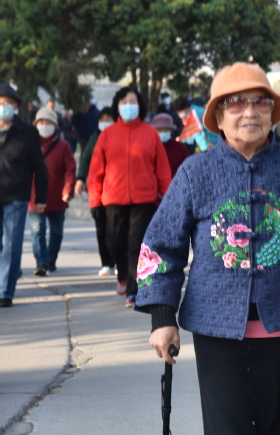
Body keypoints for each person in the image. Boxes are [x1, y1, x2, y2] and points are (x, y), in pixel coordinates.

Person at [136, 62, 280, 435]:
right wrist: (162, 316)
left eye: (260, 102)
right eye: (236, 103)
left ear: (272, 113)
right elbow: (161, 245)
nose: (250, 112)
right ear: (219, 116)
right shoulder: (195, 172)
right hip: (218, 338)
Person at [88, 87, 172, 307]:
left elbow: (162, 169)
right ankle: (123, 275)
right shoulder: (107, 135)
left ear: (139, 105)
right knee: (114, 243)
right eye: (124, 101)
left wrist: (169, 199)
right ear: (117, 105)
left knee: (136, 246)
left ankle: (133, 291)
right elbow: (96, 171)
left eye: (132, 101)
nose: (128, 105)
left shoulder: (150, 133)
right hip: (113, 199)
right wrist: (94, 200)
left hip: (144, 200)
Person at [0, 84, 48, 306]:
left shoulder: (27, 132)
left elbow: (39, 167)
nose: (4, 108)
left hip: (16, 196)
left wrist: (40, 198)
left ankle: (5, 292)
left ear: (16, 106)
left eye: (8, 104)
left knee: (11, 244)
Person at [28, 108, 76, 276]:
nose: (44, 126)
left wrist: (68, 189)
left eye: (48, 123)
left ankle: (50, 259)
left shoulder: (63, 146)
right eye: (41, 122)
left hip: (57, 197)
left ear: (55, 126)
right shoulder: (30, 144)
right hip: (34, 196)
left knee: (56, 231)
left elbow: (70, 170)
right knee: (37, 230)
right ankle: (41, 263)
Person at [75, 108, 116, 277]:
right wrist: (80, 179)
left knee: (117, 231)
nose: (105, 122)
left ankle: (120, 262)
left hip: (116, 191)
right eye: (103, 119)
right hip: (98, 191)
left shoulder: (119, 137)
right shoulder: (94, 139)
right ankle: (107, 263)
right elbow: (85, 160)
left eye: (109, 118)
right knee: (102, 230)